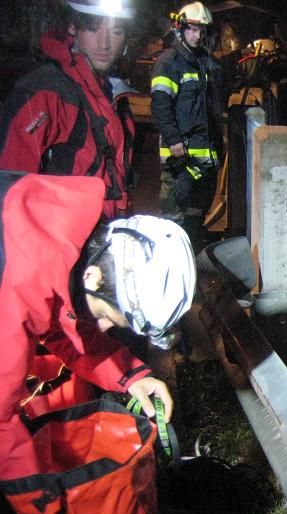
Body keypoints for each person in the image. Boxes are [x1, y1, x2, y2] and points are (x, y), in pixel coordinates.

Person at [0, 171, 195, 482]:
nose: (100, 328)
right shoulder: (16, 292)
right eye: (105, 316)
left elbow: (60, 324)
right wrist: (46, 500)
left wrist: (130, 375)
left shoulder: (57, 236)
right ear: (92, 277)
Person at [0, 0, 137, 220]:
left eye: (116, 31)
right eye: (93, 29)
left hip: (104, 230)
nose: (104, 43)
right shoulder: (47, 92)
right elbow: (9, 187)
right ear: (73, 27)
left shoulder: (111, 91)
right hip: (60, 234)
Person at [151, 1, 224, 254]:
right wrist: (174, 140)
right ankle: (169, 264)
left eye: (201, 30)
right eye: (192, 29)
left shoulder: (205, 63)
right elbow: (160, 105)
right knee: (172, 218)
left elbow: (212, 110)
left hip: (204, 160)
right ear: (180, 29)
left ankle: (192, 262)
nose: (197, 35)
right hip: (180, 161)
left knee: (195, 218)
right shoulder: (168, 63)